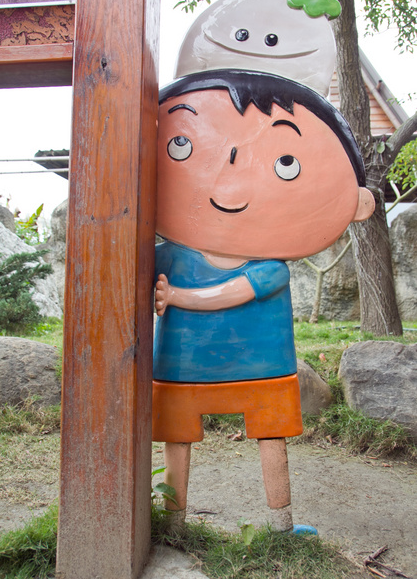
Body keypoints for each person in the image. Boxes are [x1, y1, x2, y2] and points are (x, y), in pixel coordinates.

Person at [153, 69, 374, 532]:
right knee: (177, 441)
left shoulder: (270, 269)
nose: (229, 188)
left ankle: (281, 524)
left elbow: (228, 294)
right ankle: (173, 524)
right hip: (182, 369)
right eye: (182, 145)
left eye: (286, 163)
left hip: (262, 368)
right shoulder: (168, 255)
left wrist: (174, 295)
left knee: (271, 438)